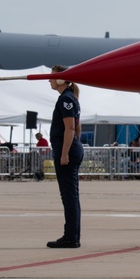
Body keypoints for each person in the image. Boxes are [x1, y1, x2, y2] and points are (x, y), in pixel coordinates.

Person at [46, 66, 83, 248]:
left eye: (52, 77)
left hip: (66, 149)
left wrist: (65, 153)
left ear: (61, 79)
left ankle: (71, 237)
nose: (49, 80)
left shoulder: (66, 99)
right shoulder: (70, 98)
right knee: (71, 196)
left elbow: (70, 129)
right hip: (71, 148)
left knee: (69, 196)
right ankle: (72, 235)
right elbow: (77, 128)